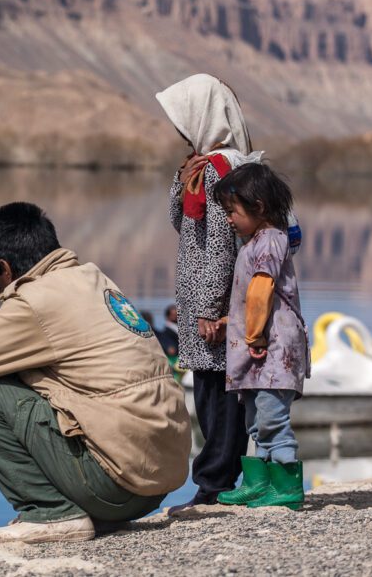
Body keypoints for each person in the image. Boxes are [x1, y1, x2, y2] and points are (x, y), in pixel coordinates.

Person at [0, 202, 191, 544]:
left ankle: (51, 513)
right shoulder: (96, 279)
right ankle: (90, 511)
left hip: (119, 486)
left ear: (4, 268)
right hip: (159, 481)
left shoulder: (36, 301)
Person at [156, 73, 263, 511]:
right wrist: (181, 181)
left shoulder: (221, 170)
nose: (181, 132)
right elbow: (183, 223)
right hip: (212, 297)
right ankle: (221, 481)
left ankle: (213, 488)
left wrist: (209, 308)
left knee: (216, 393)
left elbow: (217, 241)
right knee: (221, 391)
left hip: (214, 301)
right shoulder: (219, 165)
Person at [211, 163, 309, 509]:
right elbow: (249, 299)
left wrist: (253, 336)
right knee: (256, 418)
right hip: (259, 346)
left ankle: (286, 487)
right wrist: (231, 322)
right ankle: (259, 482)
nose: (228, 219)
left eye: (232, 211)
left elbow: (261, 292)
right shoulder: (255, 243)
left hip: (271, 347)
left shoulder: (271, 241)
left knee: (271, 418)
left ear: (258, 207)